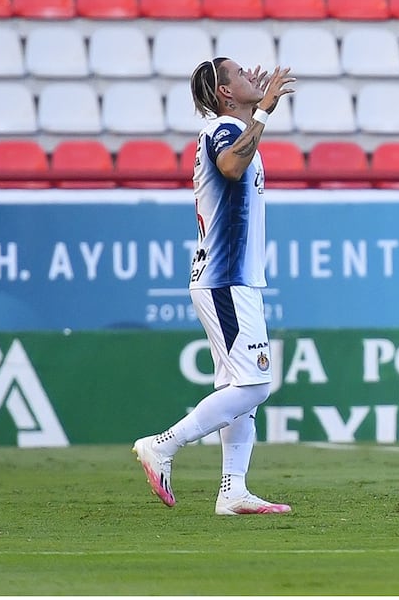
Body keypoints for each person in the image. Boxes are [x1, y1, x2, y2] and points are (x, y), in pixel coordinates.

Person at [132, 57, 296, 516]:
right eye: (240, 75)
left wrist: (255, 114)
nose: (251, 77)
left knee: (238, 386)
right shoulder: (220, 130)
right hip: (225, 277)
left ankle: (233, 490)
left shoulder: (235, 128)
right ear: (225, 93)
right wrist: (260, 112)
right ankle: (163, 445)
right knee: (257, 384)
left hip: (232, 277)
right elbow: (229, 167)